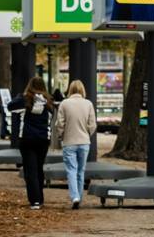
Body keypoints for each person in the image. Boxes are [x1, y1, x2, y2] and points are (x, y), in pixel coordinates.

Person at [8, 76, 55, 209]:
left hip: (27, 139)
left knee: (30, 170)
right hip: (43, 139)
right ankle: (40, 198)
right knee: (39, 168)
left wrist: (20, 96)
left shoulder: (24, 100)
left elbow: (10, 106)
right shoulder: (48, 101)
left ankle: (35, 200)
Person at [56, 79, 97, 210]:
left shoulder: (64, 103)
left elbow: (60, 124)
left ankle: (75, 197)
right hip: (84, 142)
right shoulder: (88, 104)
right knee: (81, 171)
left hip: (69, 142)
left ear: (70, 90)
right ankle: (79, 196)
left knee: (71, 170)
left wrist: (61, 136)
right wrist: (87, 134)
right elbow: (92, 124)